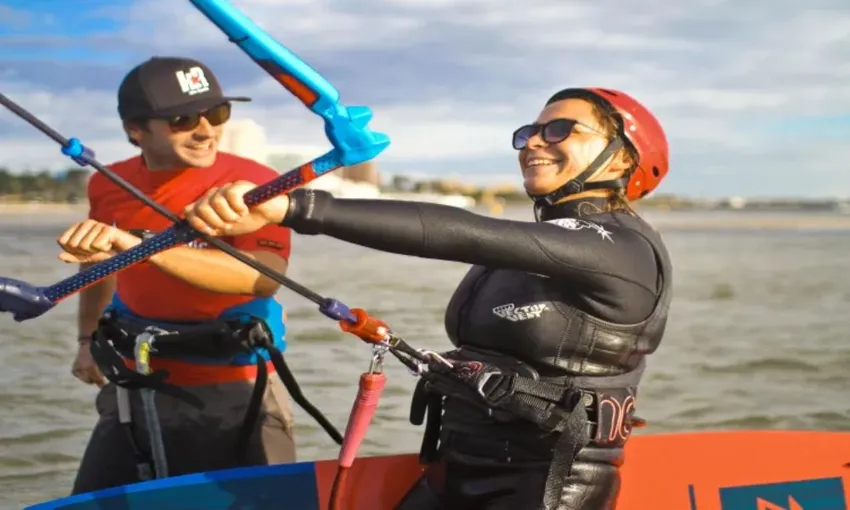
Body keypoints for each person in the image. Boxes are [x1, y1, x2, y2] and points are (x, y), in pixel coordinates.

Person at [183, 87, 671, 509]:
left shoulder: (625, 249)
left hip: (551, 484)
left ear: (623, 156)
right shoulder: (537, 246)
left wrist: (294, 207)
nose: (535, 143)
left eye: (563, 130)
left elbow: (465, 234)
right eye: (529, 132)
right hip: (455, 467)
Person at [60, 56, 297, 494]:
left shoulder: (255, 184)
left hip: (238, 384)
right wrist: (86, 340)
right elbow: (98, 264)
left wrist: (140, 247)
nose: (206, 130)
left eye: (218, 113)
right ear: (137, 130)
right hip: (134, 380)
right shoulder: (108, 183)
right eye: (182, 119)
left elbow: (263, 278)